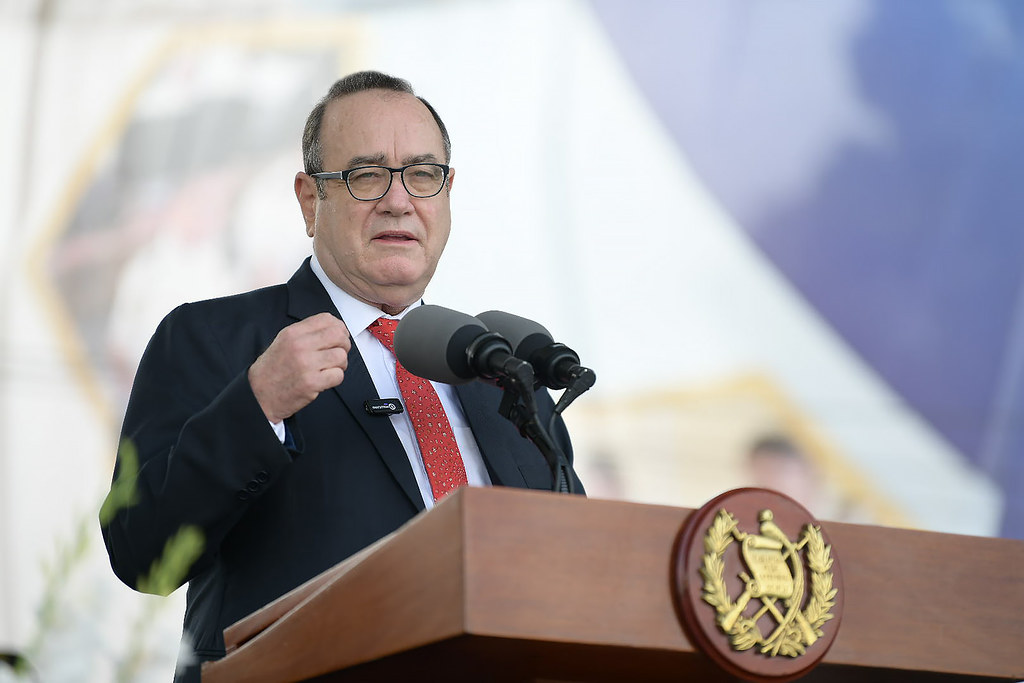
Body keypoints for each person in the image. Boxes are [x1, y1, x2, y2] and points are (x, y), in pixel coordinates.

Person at [99, 70, 584, 682]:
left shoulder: (500, 370)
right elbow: (142, 554)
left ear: (447, 193)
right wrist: (258, 406)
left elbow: (574, 575)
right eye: (366, 175)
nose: (399, 199)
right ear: (310, 199)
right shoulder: (216, 340)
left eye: (422, 174)